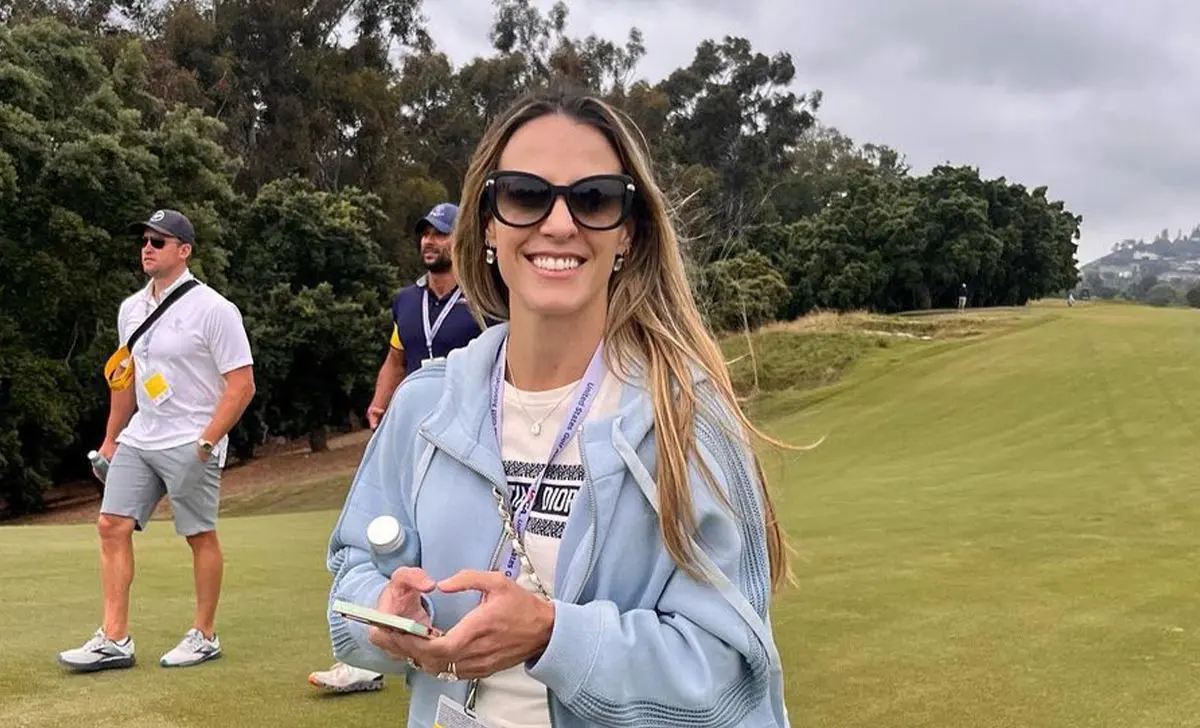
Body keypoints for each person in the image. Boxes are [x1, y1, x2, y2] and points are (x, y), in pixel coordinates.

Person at [324, 86, 793, 727]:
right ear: (488, 222)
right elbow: (350, 578)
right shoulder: (425, 406)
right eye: (525, 193)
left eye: (594, 198)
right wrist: (385, 608)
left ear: (628, 232)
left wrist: (553, 636)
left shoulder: (686, 418)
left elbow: (729, 675)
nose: (560, 223)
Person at [57, 209, 256, 673]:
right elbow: (125, 380)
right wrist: (110, 440)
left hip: (193, 438)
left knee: (198, 534)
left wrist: (207, 443)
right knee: (111, 524)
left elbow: (241, 385)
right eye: (145, 240)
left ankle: (205, 635)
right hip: (141, 436)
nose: (147, 247)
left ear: (184, 251)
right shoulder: (130, 309)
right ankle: (114, 638)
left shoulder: (215, 309)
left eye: (159, 241)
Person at [308, 202, 490, 694]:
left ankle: (452, 649)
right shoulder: (406, 302)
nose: (431, 242)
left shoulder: (483, 302)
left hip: (463, 440)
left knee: (442, 546)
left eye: (442, 234)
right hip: (410, 433)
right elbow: (396, 357)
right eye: (425, 234)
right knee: (381, 545)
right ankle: (368, 656)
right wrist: (379, 400)